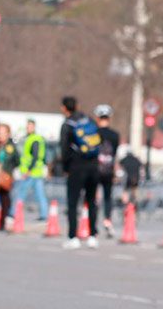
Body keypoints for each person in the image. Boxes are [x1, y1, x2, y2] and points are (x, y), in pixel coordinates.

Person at [59, 96, 103, 250]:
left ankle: (73, 237)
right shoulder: (89, 120)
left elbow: (64, 149)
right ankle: (92, 236)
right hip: (93, 166)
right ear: (77, 105)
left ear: (64, 108)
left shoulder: (67, 125)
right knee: (91, 202)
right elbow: (98, 141)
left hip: (76, 167)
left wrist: (65, 168)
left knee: (73, 203)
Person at [12, 119, 49, 221]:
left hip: (31, 172)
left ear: (34, 127)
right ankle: (44, 214)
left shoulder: (34, 139)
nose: (28, 128)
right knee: (40, 194)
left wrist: (29, 170)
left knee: (20, 193)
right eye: (27, 126)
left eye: (30, 126)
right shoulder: (32, 138)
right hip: (37, 172)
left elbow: (35, 156)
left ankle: (13, 213)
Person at [93, 105, 121, 237]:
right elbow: (114, 154)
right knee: (108, 197)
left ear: (97, 118)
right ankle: (107, 220)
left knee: (94, 197)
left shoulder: (93, 133)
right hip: (108, 170)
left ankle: (93, 225)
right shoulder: (115, 135)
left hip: (95, 169)